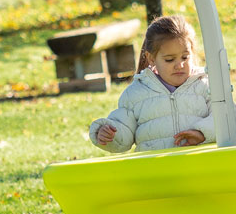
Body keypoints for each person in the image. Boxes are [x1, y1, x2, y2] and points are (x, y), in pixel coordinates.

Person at [89, 15, 215, 152]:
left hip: (200, 166)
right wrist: (109, 134)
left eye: (185, 57)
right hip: (154, 168)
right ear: (151, 59)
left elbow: (226, 115)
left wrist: (202, 133)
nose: (179, 65)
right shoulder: (136, 93)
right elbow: (123, 133)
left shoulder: (205, 85)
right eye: (169, 59)